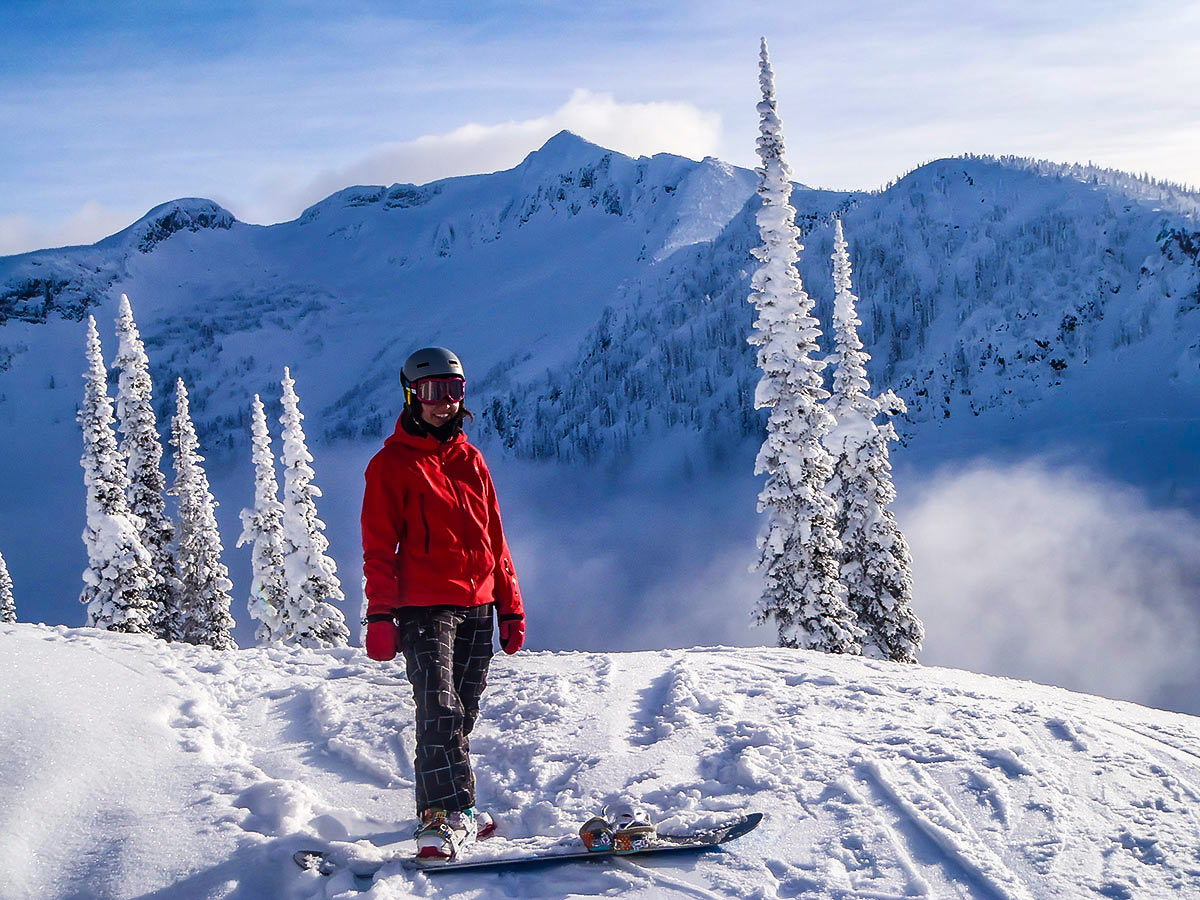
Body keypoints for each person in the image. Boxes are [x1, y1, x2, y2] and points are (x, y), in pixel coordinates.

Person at [361, 346, 525, 860]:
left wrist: (510, 604)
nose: (444, 402)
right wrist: (381, 615)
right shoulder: (389, 466)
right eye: (432, 392)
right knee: (438, 707)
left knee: (462, 712)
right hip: (423, 607)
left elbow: (494, 537)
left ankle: (459, 813)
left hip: (477, 603)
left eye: (453, 391)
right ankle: (443, 815)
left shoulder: (471, 460)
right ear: (412, 395)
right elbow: (377, 548)